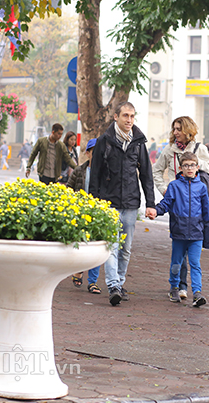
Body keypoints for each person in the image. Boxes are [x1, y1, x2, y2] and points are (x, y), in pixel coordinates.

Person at [89, 102, 156, 306]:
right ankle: (113, 286)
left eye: (132, 116)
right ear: (116, 117)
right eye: (125, 115)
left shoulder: (138, 143)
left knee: (125, 248)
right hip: (108, 202)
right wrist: (93, 202)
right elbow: (96, 175)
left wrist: (150, 203)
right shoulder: (105, 141)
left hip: (130, 203)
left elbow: (146, 175)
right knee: (112, 245)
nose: (129, 120)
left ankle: (119, 281)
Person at [152, 116, 209, 300]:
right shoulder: (169, 150)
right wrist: (164, 190)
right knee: (179, 253)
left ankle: (191, 289)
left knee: (193, 257)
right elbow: (156, 170)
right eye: (174, 129)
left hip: (194, 197)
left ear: (187, 130)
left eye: (179, 129)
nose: (175, 132)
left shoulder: (200, 149)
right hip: (176, 199)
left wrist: (194, 163)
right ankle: (178, 285)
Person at [67, 138, 99, 289]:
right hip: (81, 212)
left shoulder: (105, 173)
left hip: (98, 213)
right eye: (95, 152)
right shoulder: (80, 171)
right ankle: (78, 270)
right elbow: (69, 188)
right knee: (80, 243)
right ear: (88, 153)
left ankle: (93, 281)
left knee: (97, 245)